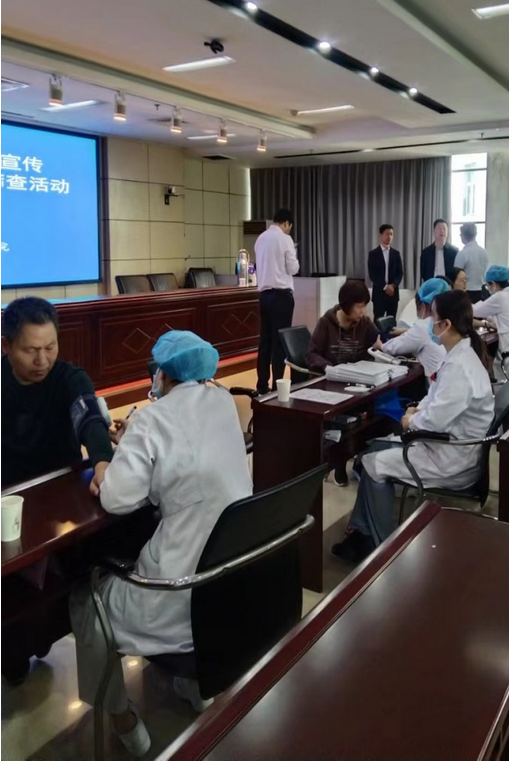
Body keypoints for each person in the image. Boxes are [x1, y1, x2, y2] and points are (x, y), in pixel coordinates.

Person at [69, 331, 253, 756]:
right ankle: (194, 684)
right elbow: (188, 457)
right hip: (229, 588)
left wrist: (111, 463)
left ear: (164, 375)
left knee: (85, 600)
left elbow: (117, 498)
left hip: (176, 594)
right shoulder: (223, 402)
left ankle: (122, 718)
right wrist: (135, 440)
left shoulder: (153, 419)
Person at [332, 290, 494, 561]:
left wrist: (411, 420)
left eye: (434, 317)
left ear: (446, 324)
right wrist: (418, 408)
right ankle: (361, 534)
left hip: (451, 459)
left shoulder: (460, 366)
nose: (430, 322)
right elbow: (438, 398)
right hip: (451, 446)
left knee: (372, 465)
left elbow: (436, 419)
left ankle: (383, 550)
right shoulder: (460, 354)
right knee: (375, 449)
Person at [1, 297, 113, 488]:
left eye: (50, 347)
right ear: (5, 346)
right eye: (31, 350)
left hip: (63, 482)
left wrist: (103, 465)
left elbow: (91, 421)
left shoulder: (70, 379)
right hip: (9, 489)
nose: (42, 360)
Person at [308, 280, 381, 487]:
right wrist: (328, 367)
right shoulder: (326, 323)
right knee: (343, 420)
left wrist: (380, 346)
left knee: (372, 417)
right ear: (346, 305)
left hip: (357, 384)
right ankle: (338, 463)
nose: (362, 311)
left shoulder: (365, 323)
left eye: (364, 306)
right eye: (358, 306)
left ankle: (360, 456)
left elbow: (380, 341)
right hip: (332, 383)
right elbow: (311, 354)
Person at [254, 208, 299, 394]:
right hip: (281, 296)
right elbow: (293, 268)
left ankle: (261, 385)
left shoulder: (260, 239)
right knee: (279, 342)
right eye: (289, 226)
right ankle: (277, 386)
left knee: (265, 340)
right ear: (287, 223)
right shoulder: (285, 239)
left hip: (264, 296)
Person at [381, 278, 448, 378]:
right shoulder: (450, 322)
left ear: (422, 307)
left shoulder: (423, 326)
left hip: (438, 385)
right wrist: (407, 331)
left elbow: (391, 348)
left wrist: (380, 345)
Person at [472, 265, 509, 380]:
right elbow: (501, 315)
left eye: (488, 286)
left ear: (493, 284)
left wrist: (459, 302)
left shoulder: (500, 296)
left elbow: (476, 311)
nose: (488, 289)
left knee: (492, 371)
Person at [367, 224, 404, 321]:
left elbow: (400, 273)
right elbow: (373, 274)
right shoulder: (373, 254)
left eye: (391, 234)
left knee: (391, 320)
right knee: (378, 320)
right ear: (381, 235)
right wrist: (385, 286)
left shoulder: (396, 254)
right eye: (387, 234)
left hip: (393, 293)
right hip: (379, 293)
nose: (389, 237)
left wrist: (393, 285)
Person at [455, 222, 490, 303]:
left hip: (467, 292)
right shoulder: (485, 252)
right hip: (483, 292)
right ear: (475, 234)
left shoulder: (462, 254)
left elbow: (456, 275)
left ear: (463, 235)